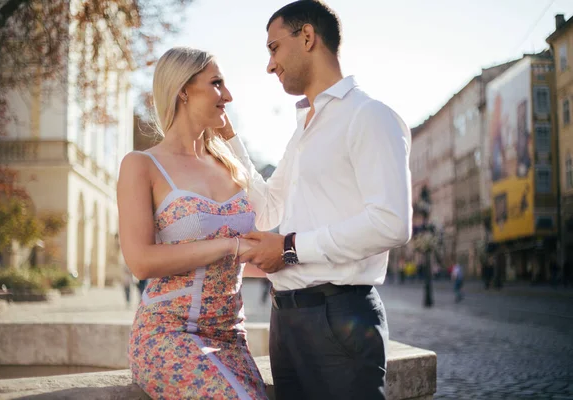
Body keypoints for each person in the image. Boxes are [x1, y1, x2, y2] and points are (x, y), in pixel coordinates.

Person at [217, 2, 412, 398]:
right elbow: (269, 206)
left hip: (337, 319)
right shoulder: (304, 130)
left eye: (273, 48)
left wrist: (288, 249)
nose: (270, 65)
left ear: (307, 37)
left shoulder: (369, 116)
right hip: (287, 319)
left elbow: (392, 222)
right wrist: (228, 138)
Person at [117, 47, 267, 399]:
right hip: (168, 333)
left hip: (231, 337)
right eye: (217, 84)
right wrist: (230, 246)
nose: (227, 96)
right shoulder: (142, 164)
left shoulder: (232, 167)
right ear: (183, 89)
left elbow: (268, 224)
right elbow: (140, 261)